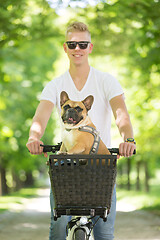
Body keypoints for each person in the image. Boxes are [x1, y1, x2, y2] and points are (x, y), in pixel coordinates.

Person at [26, 22, 136, 240]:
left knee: (105, 233)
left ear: (90, 47)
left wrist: (128, 139)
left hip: (100, 168)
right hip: (67, 169)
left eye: (82, 44)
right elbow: (40, 117)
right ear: (65, 47)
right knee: (57, 229)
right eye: (72, 44)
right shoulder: (55, 85)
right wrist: (34, 137)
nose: (77, 48)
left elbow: (121, 115)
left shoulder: (106, 81)